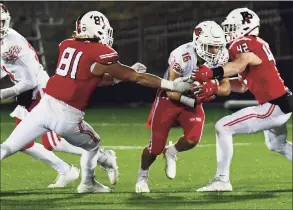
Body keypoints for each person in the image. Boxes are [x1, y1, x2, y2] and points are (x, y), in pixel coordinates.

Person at [0, 10, 192, 193]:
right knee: (93, 144)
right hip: (67, 115)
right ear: (97, 30)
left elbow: (90, 77)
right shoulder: (99, 52)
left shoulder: (67, 44)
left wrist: (120, 76)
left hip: (44, 106)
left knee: (8, 147)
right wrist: (172, 85)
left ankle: (81, 177)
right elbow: (137, 78)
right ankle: (87, 182)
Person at [194, 8, 292, 192]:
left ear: (246, 27)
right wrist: (215, 84)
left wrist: (212, 72)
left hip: (274, 105)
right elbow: (243, 85)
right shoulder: (256, 42)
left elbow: (241, 62)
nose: (228, 32)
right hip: (280, 102)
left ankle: (222, 180)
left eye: (232, 27)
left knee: (223, 126)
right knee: (276, 144)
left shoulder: (244, 43)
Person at [135, 21, 231, 193]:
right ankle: (142, 176)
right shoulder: (182, 55)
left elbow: (226, 88)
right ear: (199, 43)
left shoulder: (222, 56)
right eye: (210, 47)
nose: (215, 51)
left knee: (193, 139)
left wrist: (214, 87)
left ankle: (171, 152)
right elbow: (171, 91)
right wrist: (192, 100)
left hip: (193, 98)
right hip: (168, 99)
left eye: (217, 47)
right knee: (155, 147)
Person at [0, 3, 80, 188]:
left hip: (39, 91)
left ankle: (97, 155)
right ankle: (66, 170)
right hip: (29, 94)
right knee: (24, 143)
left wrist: (3, 93)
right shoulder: (3, 43)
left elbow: (29, 81)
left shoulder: (12, 43)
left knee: (50, 144)